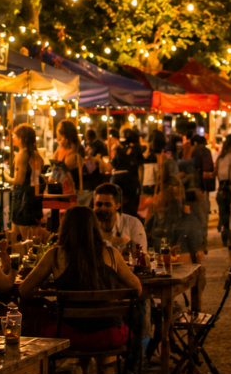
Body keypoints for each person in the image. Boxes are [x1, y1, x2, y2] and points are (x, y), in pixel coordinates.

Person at [18, 206, 143, 351]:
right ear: (95, 227)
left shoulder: (54, 255)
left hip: (68, 335)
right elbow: (137, 289)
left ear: (65, 228)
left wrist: (43, 287)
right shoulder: (112, 254)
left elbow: (24, 289)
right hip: (108, 334)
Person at [8, 124, 45, 236]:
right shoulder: (37, 155)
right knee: (29, 232)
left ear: (22, 138)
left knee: (22, 234)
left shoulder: (21, 155)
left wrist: (4, 176)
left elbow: (19, 180)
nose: (13, 137)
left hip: (22, 198)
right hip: (34, 197)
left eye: (15, 135)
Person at [92, 183, 147, 252]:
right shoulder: (89, 225)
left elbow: (141, 254)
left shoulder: (133, 223)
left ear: (117, 206)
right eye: (99, 204)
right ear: (94, 206)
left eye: (107, 204)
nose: (103, 208)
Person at [110, 128, 144, 218]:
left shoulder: (118, 149)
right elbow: (140, 167)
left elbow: (113, 163)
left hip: (116, 178)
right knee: (131, 206)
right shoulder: (137, 149)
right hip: (130, 179)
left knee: (117, 204)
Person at [51, 120, 85, 195]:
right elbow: (53, 163)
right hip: (62, 187)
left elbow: (65, 169)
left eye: (60, 133)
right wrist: (60, 147)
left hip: (72, 188)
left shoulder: (75, 150)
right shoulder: (61, 149)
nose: (58, 136)